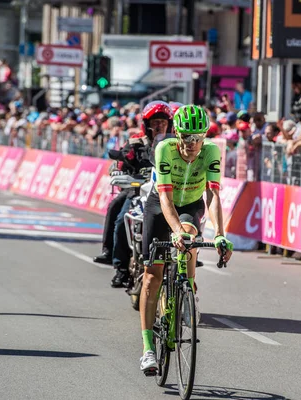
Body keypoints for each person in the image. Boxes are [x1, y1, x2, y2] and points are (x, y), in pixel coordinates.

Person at [138, 105, 234, 374]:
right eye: (187, 138)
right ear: (176, 134)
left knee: (190, 237)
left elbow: (213, 195)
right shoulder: (164, 150)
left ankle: (187, 290)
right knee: (151, 276)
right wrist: (176, 230)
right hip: (160, 206)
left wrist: (219, 234)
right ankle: (147, 349)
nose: (193, 145)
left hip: (191, 204)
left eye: (198, 138)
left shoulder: (211, 151)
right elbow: (166, 199)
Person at [93, 101, 174, 288]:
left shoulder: (175, 145)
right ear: (146, 124)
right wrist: (118, 171)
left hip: (165, 191)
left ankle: (186, 258)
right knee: (120, 216)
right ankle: (119, 266)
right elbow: (119, 163)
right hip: (137, 190)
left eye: (162, 121)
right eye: (155, 122)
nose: (159, 125)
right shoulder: (135, 142)